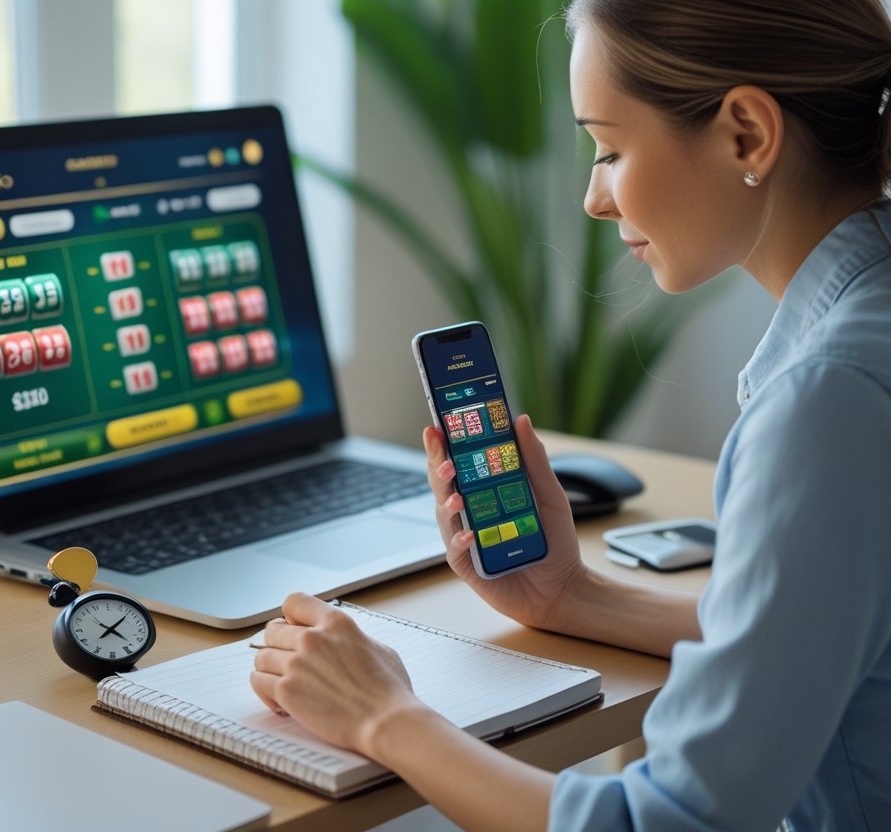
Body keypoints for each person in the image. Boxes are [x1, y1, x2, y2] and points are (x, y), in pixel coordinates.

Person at [249, 0, 891, 829]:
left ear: (747, 135)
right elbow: (829, 626)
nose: (594, 197)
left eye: (612, 149)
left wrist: (383, 716)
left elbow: (671, 822)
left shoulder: (827, 400)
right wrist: (573, 599)